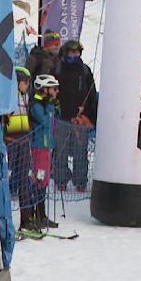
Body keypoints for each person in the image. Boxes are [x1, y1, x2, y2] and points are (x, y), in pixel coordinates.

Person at [54, 41, 98, 192]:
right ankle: (61, 181)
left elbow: (92, 95)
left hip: (80, 119)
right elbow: (51, 92)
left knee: (80, 152)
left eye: (77, 52)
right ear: (66, 52)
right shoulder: (58, 69)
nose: (74, 55)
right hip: (62, 118)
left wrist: (88, 113)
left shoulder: (84, 70)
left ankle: (80, 182)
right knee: (61, 151)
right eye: (72, 52)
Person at [5, 67, 36, 230]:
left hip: (23, 142)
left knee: (24, 180)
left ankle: (27, 219)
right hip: (11, 142)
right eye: (25, 83)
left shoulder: (25, 97)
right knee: (8, 179)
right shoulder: (9, 98)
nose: (27, 86)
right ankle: (3, 222)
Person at [29, 74, 61, 230]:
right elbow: (45, 122)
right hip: (39, 146)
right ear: (45, 90)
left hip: (47, 146)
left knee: (45, 181)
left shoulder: (45, 103)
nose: (56, 92)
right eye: (53, 89)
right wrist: (50, 106)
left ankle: (42, 215)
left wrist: (55, 107)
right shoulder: (36, 104)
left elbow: (55, 120)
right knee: (39, 180)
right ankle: (36, 215)